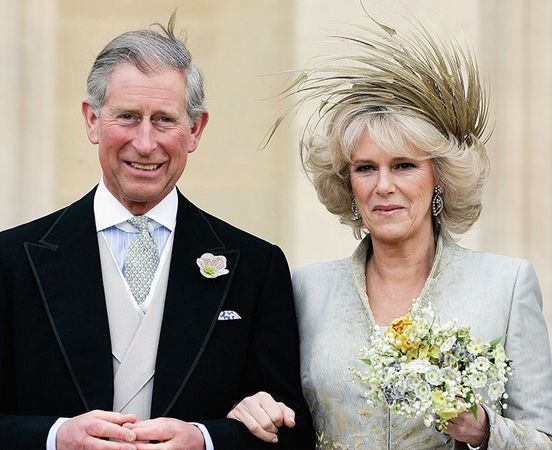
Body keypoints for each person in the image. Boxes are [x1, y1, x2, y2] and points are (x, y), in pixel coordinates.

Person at [0, 15, 315, 450]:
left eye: (164, 120)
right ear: (92, 120)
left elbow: (293, 431)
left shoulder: (255, 267)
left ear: (195, 129)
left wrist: (204, 440)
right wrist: (55, 438)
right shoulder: (11, 261)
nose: (145, 143)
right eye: (127, 116)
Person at [228, 20, 552, 449]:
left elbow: (543, 438)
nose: (383, 186)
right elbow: (278, 412)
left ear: (439, 178)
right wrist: (250, 409)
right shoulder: (305, 289)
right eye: (365, 168)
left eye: (404, 165)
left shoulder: (506, 285)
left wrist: (485, 430)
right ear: (348, 183)